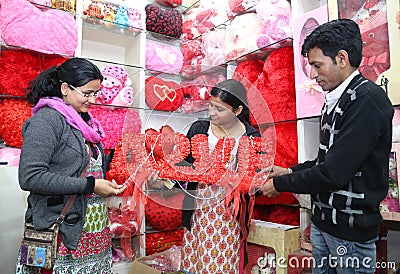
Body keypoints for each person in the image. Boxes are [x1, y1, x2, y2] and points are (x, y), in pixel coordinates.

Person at [259, 19, 393, 273]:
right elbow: (327, 160)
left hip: (349, 234)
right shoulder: (336, 99)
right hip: (324, 223)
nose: (312, 74)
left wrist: (279, 185)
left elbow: (334, 173)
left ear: (342, 58)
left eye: (317, 65)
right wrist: (289, 172)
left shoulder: (366, 101)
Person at [16, 57, 126, 273]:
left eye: (95, 93)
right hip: (60, 233)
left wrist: (104, 185)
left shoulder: (85, 122)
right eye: (87, 93)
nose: (93, 100)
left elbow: (86, 167)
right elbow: (30, 177)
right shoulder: (46, 121)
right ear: (65, 88)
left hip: (92, 233)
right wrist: (90, 186)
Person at [179, 79, 261, 273]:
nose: (212, 113)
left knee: (221, 265)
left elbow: (255, 182)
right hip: (197, 212)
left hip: (229, 216)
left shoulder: (251, 138)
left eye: (220, 109)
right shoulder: (199, 129)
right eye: (211, 105)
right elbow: (183, 166)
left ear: (238, 110)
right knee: (194, 263)